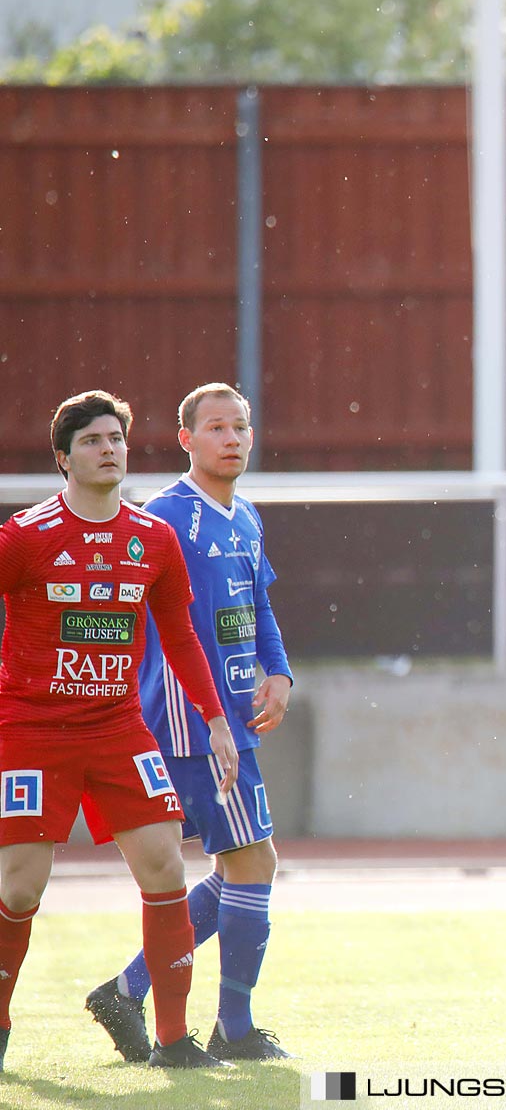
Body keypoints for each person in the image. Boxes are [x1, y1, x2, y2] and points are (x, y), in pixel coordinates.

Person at [0, 390, 240, 1071]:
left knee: (166, 863)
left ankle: (172, 1042)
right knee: (20, 886)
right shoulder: (26, 537)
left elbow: (183, 639)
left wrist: (215, 718)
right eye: (93, 441)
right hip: (34, 730)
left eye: (116, 439)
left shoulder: (153, 539)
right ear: (63, 459)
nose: (109, 449)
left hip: (118, 728)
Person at [87, 383, 295, 1064]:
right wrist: (207, 716)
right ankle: (231, 1028)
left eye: (241, 426)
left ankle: (128, 989)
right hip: (188, 721)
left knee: (244, 862)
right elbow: (150, 623)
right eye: (216, 428)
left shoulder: (245, 515)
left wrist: (279, 673)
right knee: (248, 861)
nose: (232, 438)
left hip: (234, 717)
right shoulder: (167, 517)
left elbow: (257, 608)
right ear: (186, 440)